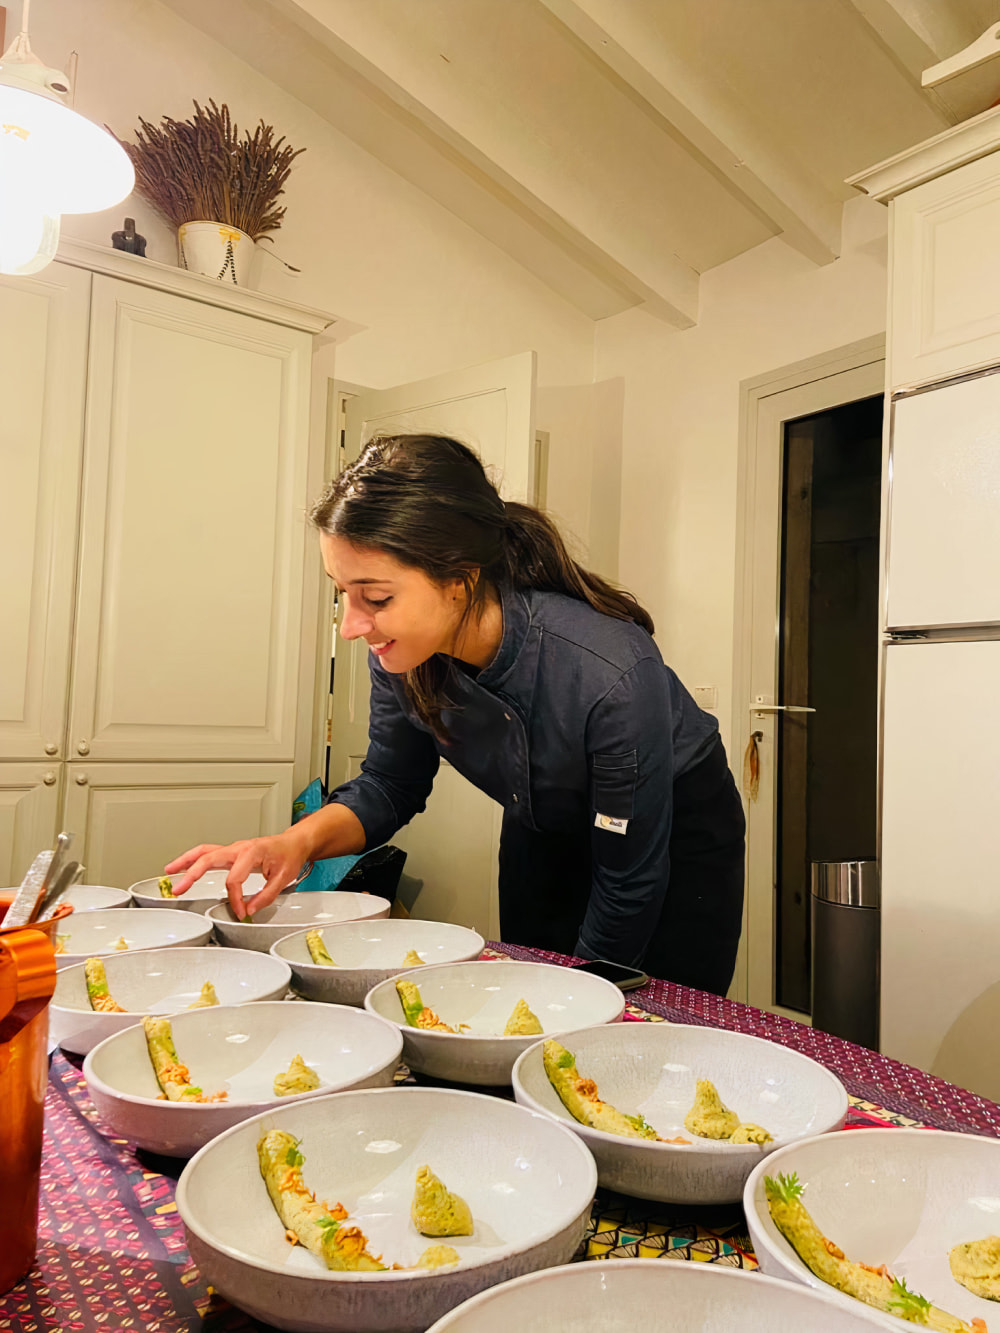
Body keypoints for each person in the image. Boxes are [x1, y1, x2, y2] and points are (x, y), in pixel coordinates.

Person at [166, 434, 746, 996]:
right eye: (341, 593)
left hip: (670, 834)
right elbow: (390, 785)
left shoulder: (608, 672)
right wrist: (295, 841)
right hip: (543, 819)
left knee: (639, 1010)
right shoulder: (404, 655)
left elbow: (628, 880)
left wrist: (583, 999)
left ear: (460, 581)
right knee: (531, 990)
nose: (351, 625)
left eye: (377, 597)